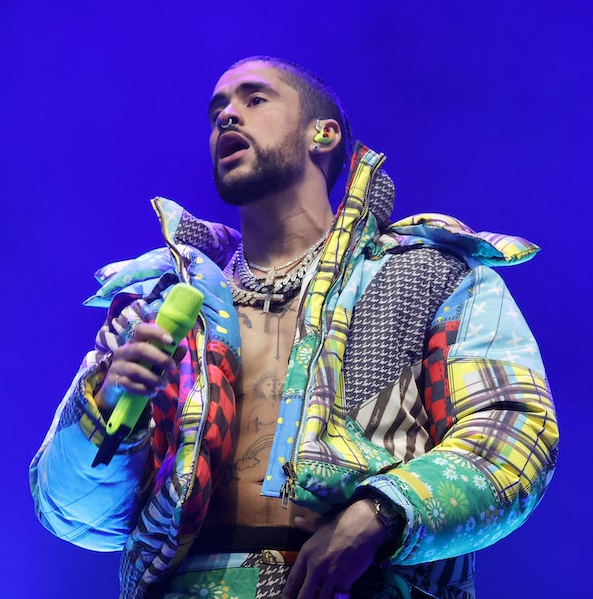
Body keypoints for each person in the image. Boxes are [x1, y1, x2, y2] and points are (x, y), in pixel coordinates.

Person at [30, 56, 559, 599]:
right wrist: (110, 405)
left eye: (254, 100)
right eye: (217, 111)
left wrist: (385, 512)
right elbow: (72, 512)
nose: (227, 118)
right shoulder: (161, 300)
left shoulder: (428, 274)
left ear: (323, 134)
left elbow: (515, 433)